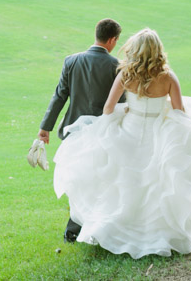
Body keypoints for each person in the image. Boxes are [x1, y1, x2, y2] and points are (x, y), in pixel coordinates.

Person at [52, 28, 191, 258]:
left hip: (129, 131)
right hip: (158, 133)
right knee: (156, 183)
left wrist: (125, 110)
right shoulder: (168, 77)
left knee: (125, 182)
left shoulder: (126, 75)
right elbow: (179, 112)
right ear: (158, 50)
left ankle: (120, 230)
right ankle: (158, 232)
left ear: (135, 49)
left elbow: (108, 109)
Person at [38, 18, 123, 243]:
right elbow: (121, 103)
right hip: (102, 131)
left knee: (78, 179)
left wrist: (45, 127)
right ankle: (93, 226)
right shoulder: (116, 66)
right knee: (102, 179)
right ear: (112, 40)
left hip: (74, 132)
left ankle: (73, 229)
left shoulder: (71, 61)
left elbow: (60, 96)